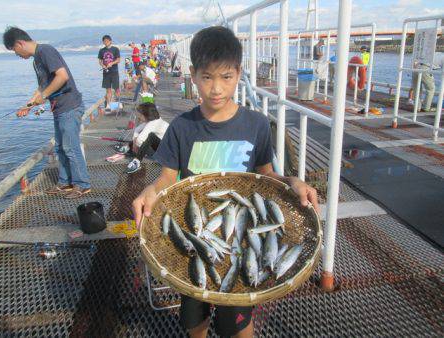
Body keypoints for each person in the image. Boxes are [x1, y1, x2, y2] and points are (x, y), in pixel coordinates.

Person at [132, 26, 319, 338]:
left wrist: (292, 181)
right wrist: (149, 191)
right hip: (196, 234)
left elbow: (267, 176)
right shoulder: (181, 127)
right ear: (192, 74)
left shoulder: (257, 124)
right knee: (195, 319)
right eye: (207, 77)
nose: (216, 88)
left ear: (238, 73)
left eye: (226, 77)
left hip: (241, 241)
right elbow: (166, 179)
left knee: (237, 322)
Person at [4, 26, 91, 198]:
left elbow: (62, 76)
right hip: (59, 108)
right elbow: (42, 86)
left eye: (14, 50)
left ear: (19, 43)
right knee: (60, 147)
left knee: (70, 147)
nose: (17, 55)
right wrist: (28, 105)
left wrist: (43, 96)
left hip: (69, 105)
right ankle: (65, 182)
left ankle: (82, 184)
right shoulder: (36, 60)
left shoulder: (45, 51)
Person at [126, 103, 169, 174]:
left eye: (140, 115)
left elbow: (139, 141)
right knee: (142, 137)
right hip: (162, 148)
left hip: (166, 155)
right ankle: (129, 147)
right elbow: (137, 129)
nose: (139, 117)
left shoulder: (152, 124)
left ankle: (137, 161)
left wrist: (135, 145)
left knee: (150, 136)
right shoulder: (156, 120)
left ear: (146, 115)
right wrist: (134, 143)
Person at [98, 35, 121, 110]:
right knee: (108, 89)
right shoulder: (101, 50)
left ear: (110, 41)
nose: (106, 42)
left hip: (114, 72)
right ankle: (109, 106)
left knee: (116, 89)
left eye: (107, 41)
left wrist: (112, 63)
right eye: (104, 41)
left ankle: (117, 105)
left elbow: (118, 60)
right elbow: (100, 61)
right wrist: (103, 66)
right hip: (106, 73)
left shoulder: (115, 49)